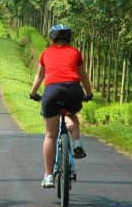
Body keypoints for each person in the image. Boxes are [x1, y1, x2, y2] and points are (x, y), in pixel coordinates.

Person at [29, 24, 93, 189]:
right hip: (73, 89)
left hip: (52, 92)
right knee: (71, 114)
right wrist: (89, 93)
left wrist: (33, 93)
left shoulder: (46, 53)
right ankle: (76, 142)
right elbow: (83, 75)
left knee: (50, 135)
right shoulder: (75, 53)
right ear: (69, 38)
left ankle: (49, 175)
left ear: (52, 38)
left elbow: (40, 76)